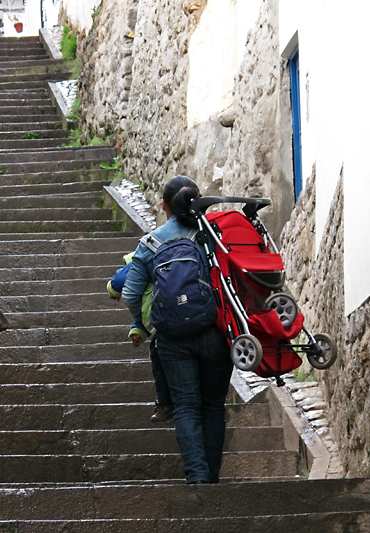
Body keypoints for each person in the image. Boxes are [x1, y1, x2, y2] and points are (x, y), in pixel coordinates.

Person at [122, 175, 233, 484]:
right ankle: (211, 477)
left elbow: (130, 294)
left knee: (186, 407)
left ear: (164, 206)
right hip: (215, 331)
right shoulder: (214, 235)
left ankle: (197, 479)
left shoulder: (150, 243)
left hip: (172, 338)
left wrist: (142, 323)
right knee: (213, 405)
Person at [107, 254, 173, 423]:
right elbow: (144, 304)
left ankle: (165, 403)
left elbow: (119, 281)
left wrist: (112, 289)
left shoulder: (141, 257)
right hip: (182, 312)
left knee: (159, 358)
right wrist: (138, 329)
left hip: (164, 320)